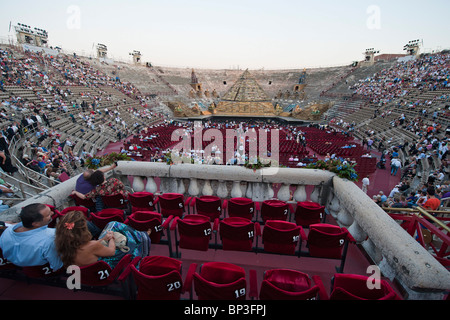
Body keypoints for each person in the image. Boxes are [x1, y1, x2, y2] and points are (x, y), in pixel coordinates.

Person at [55, 211, 151, 268]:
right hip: (106, 265)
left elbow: (91, 247)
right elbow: (112, 251)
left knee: (112, 224)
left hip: (87, 265)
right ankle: (142, 238)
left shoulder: (63, 244)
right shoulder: (92, 245)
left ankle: (140, 235)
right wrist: (110, 238)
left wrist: (103, 239)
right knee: (131, 241)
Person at [0, 203, 63, 271]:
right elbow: (56, 265)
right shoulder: (50, 238)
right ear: (36, 223)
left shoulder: (8, 231)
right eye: (48, 215)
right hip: (38, 268)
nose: (52, 213)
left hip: (13, 261)